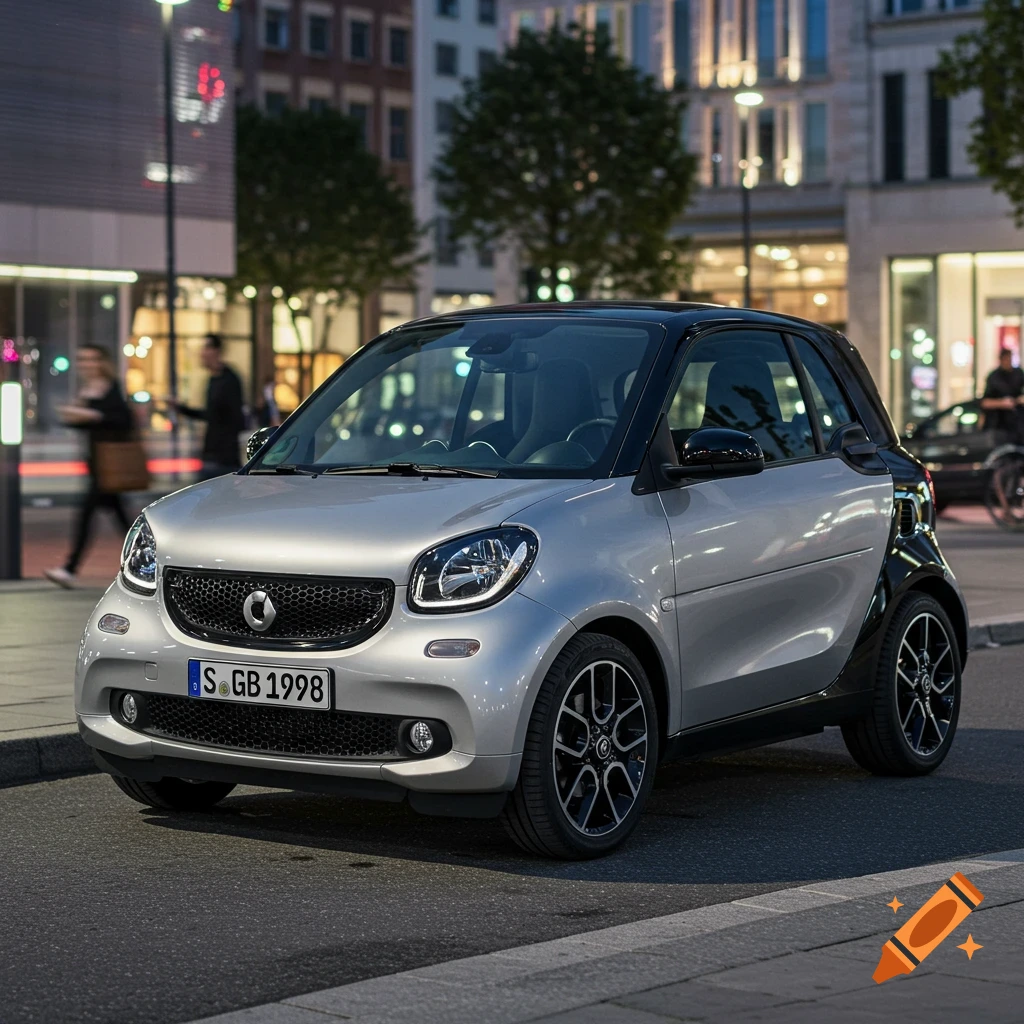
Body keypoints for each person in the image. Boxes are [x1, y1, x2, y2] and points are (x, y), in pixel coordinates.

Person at [44, 345, 134, 588]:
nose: (86, 364)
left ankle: (69, 569)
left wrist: (93, 416)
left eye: (92, 359)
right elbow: (89, 424)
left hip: (110, 465)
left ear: (102, 362)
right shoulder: (89, 390)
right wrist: (73, 418)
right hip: (97, 464)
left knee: (86, 516)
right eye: (82, 359)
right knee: (124, 523)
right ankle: (151, 562)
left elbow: (122, 419)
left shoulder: (110, 388)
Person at [166, 334, 246, 480]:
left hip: (224, 457)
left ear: (216, 351)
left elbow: (234, 417)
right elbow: (209, 414)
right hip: (211, 453)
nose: (201, 353)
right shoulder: (213, 379)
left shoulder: (229, 379)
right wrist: (181, 408)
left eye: (206, 348)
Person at [981, 348, 1024, 440]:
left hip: (1018, 424)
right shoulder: (994, 377)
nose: (1008, 362)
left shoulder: (1018, 373)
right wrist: (1002, 403)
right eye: (1006, 359)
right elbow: (985, 402)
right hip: (998, 425)